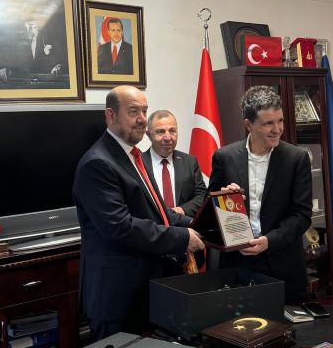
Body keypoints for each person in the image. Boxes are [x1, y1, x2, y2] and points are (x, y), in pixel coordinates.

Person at [72, 85, 205, 340]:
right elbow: (120, 227)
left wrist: (200, 223)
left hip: (144, 291)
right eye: (133, 111)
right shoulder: (98, 163)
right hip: (117, 297)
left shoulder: (134, 156)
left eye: (144, 110)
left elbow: (157, 211)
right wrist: (182, 238)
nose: (142, 119)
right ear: (110, 116)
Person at [208, 85, 312, 303]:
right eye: (268, 123)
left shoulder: (297, 158)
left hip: (282, 264)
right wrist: (223, 200)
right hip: (237, 265)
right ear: (249, 124)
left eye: (280, 121)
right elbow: (209, 215)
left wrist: (269, 241)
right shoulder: (224, 157)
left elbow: (302, 215)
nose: (277, 129)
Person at [143, 110, 207, 217]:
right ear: (149, 135)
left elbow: (201, 195)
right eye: (160, 132)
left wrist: (182, 210)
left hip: (185, 225)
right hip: (152, 225)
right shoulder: (138, 164)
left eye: (172, 131)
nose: (168, 137)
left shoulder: (189, 162)